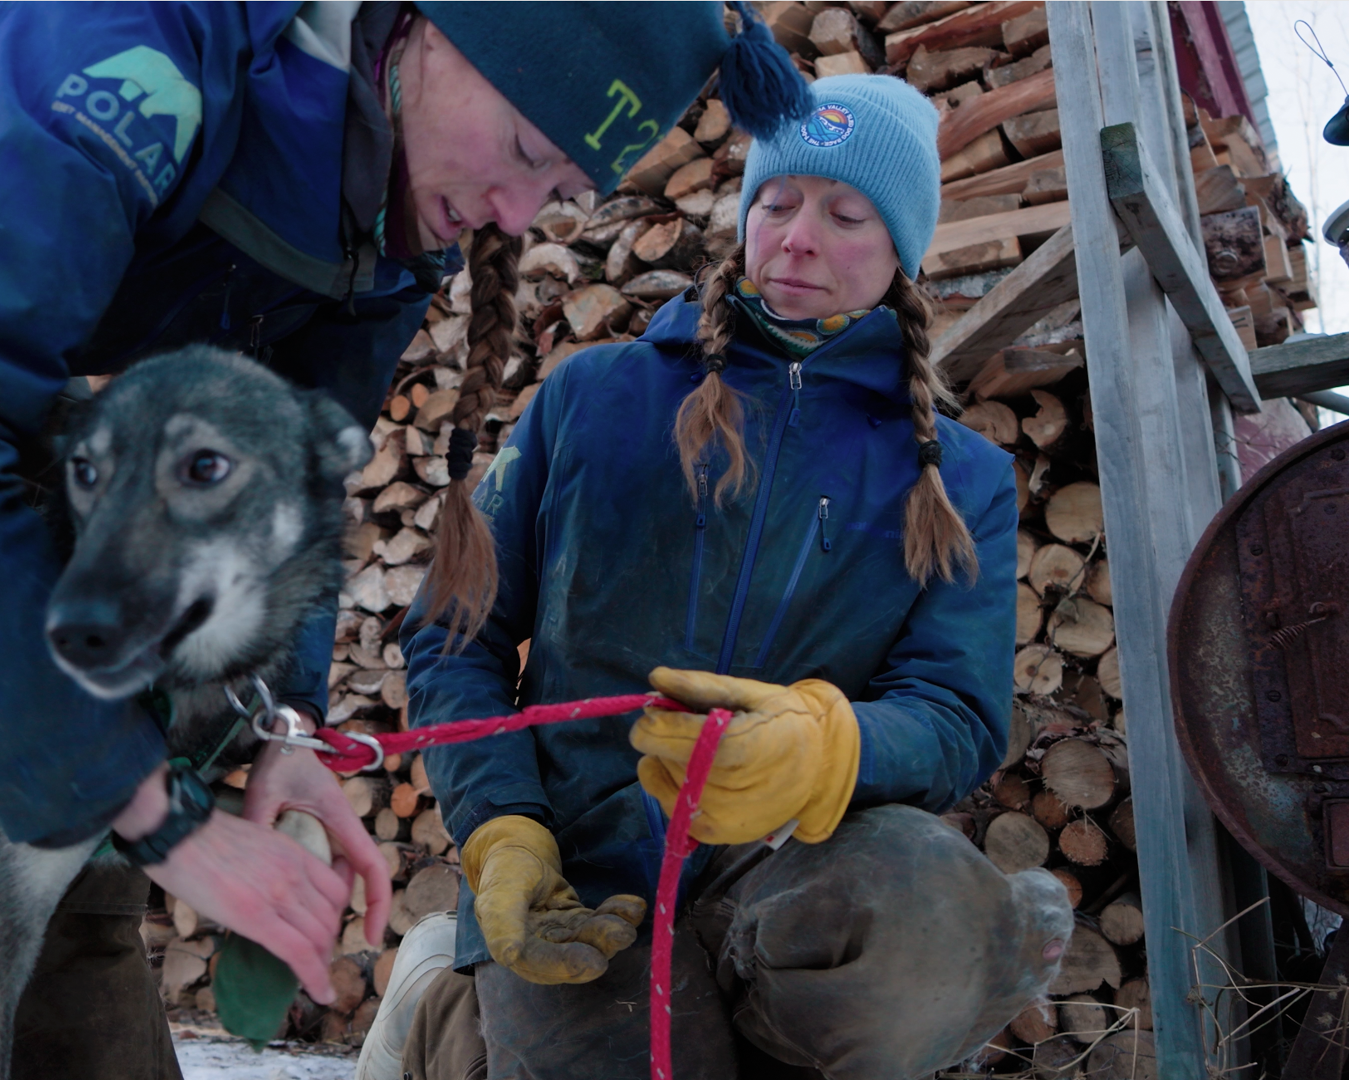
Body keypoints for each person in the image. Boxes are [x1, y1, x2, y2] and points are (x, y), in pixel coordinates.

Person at [0, 2, 810, 1075]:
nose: (511, 213)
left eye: (555, 193)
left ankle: (60, 1003)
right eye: (524, 150)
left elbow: (282, 490)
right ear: (433, 27)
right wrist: (158, 815)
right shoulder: (136, 40)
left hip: (6, 277)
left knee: (115, 632)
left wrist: (279, 725)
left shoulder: (395, 216)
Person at [397, 74, 1075, 1080]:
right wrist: (503, 826)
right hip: (580, 861)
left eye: (847, 215)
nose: (797, 238)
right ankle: (447, 1021)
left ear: (902, 249)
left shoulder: (960, 478)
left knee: (930, 922)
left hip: (800, 864)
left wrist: (831, 748)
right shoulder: (594, 397)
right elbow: (455, 633)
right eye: (777, 202)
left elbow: (958, 714)